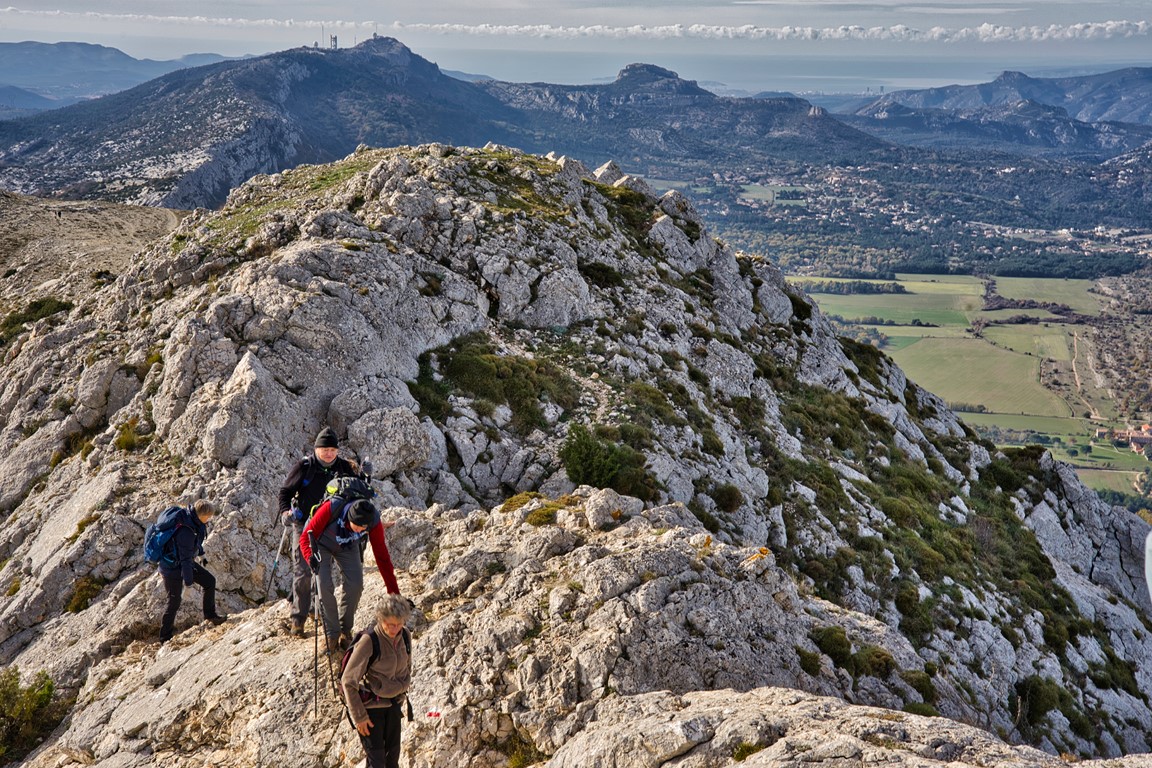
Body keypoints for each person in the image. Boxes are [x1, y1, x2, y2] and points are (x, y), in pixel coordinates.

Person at [277, 426, 358, 637]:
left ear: (338, 451)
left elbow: (356, 493)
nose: (329, 453)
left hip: (330, 526)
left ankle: (317, 611)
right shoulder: (305, 467)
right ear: (316, 449)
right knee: (303, 570)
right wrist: (286, 512)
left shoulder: (344, 468)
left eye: (332, 449)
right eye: (325, 449)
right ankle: (298, 619)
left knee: (323, 572)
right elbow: (285, 492)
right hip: (304, 524)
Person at [300, 497, 399, 652]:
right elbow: (306, 537)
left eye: (363, 528)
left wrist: (394, 592)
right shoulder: (331, 508)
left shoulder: (373, 521)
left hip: (347, 545)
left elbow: (382, 557)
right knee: (323, 584)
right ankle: (332, 633)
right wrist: (310, 557)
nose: (359, 530)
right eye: (356, 526)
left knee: (356, 584)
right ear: (349, 518)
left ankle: (345, 630)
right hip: (321, 543)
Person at [341, 594, 412, 768]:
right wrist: (359, 717)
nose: (395, 629)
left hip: (394, 706)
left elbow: (407, 667)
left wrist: (401, 693)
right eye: (390, 624)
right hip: (371, 711)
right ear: (381, 619)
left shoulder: (405, 635)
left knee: (392, 761)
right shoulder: (369, 641)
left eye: (399, 624)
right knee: (377, 763)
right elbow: (348, 681)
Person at [158, 499, 228, 642]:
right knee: (174, 601)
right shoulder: (186, 531)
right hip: (171, 568)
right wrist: (188, 584)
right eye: (208, 516)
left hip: (185, 561)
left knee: (209, 581)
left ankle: (210, 616)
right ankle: (164, 637)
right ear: (201, 515)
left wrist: (201, 553)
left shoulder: (194, 521)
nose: (209, 519)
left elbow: (195, 541)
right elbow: (185, 560)